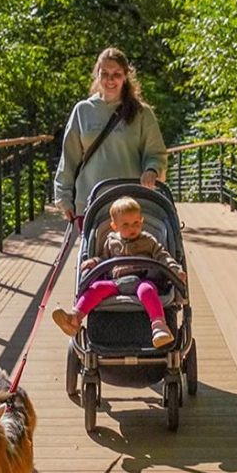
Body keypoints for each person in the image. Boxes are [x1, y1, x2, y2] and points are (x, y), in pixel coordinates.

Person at [53, 46, 168, 226]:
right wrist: (64, 198)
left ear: (125, 76)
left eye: (116, 74)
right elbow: (69, 158)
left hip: (131, 206)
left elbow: (156, 153)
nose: (110, 79)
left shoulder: (141, 113)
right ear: (97, 74)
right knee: (92, 252)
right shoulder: (83, 111)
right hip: (91, 202)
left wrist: (152, 170)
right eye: (105, 73)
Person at [52, 196, 187, 347]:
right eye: (126, 225)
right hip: (116, 282)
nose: (132, 228)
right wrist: (94, 261)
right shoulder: (111, 241)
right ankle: (75, 318)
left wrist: (175, 269)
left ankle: (159, 326)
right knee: (96, 288)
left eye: (136, 223)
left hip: (142, 280)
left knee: (147, 290)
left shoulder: (148, 241)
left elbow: (163, 256)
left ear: (142, 221)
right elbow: (104, 259)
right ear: (115, 226)